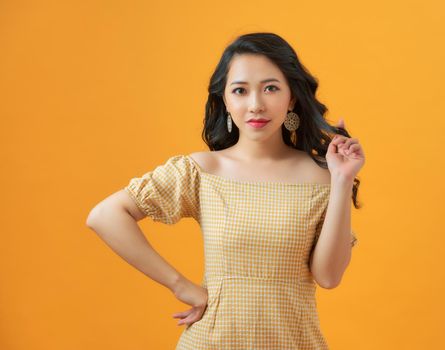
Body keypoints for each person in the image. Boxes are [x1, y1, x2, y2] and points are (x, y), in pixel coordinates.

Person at [86, 32, 365, 349]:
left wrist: (341, 181)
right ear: (225, 100)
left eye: (270, 88)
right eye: (240, 90)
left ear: (291, 98)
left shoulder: (321, 177)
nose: (256, 105)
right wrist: (180, 285)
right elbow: (105, 215)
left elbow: (328, 277)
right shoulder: (203, 171)